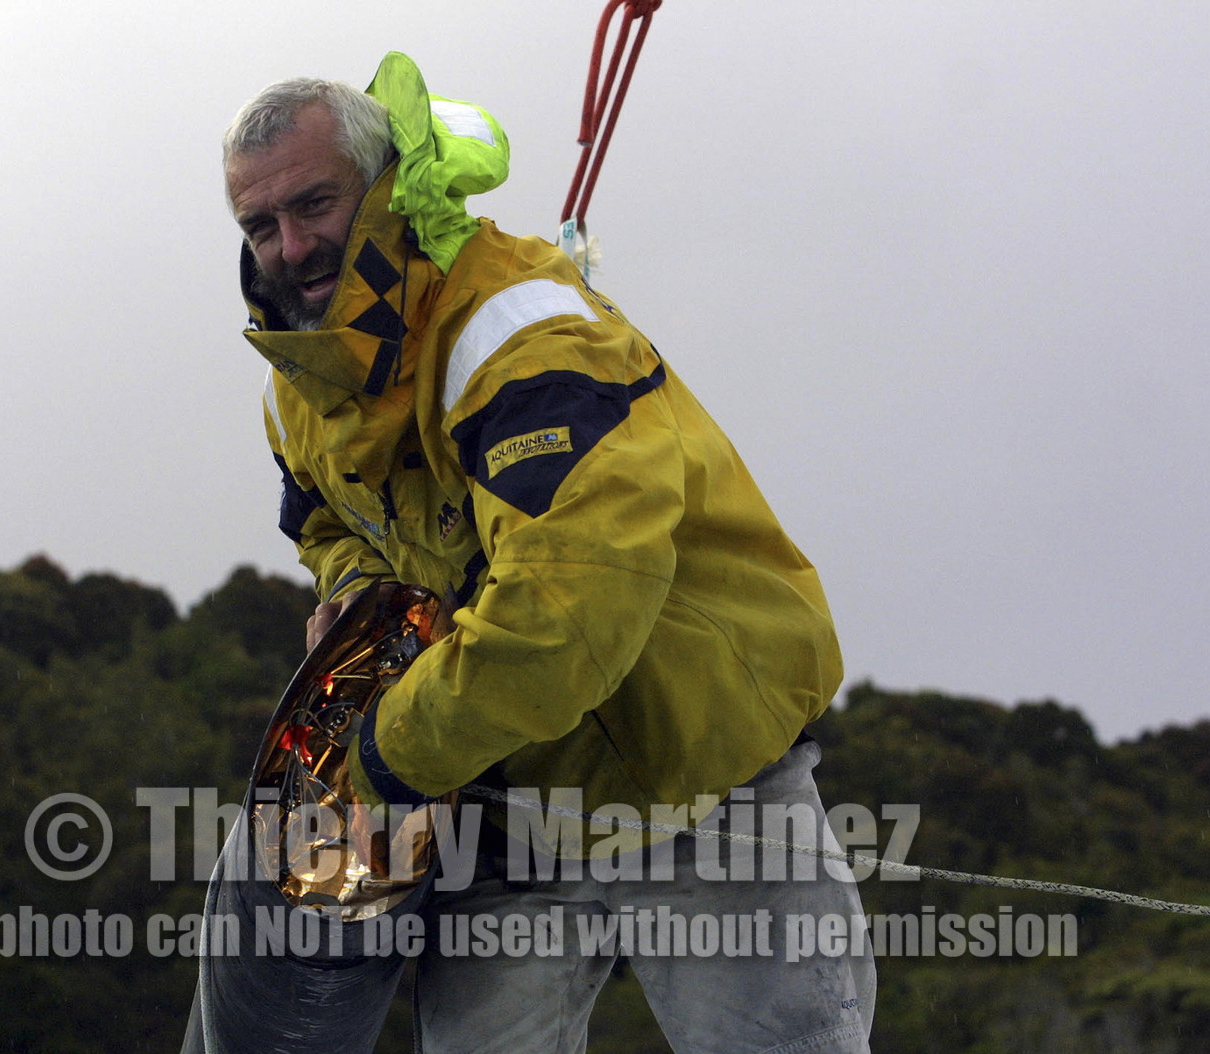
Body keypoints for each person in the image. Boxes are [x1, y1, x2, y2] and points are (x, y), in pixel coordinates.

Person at [188, 53, 875, 1054]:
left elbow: (567, 613)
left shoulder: (526, 334)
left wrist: (378, 761)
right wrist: (359, 596)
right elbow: (326, 518)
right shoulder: (298, 382)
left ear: (381, 187)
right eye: (260, 224)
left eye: (314, 204)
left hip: (697, 771)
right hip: (506, 801)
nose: (290, 245)